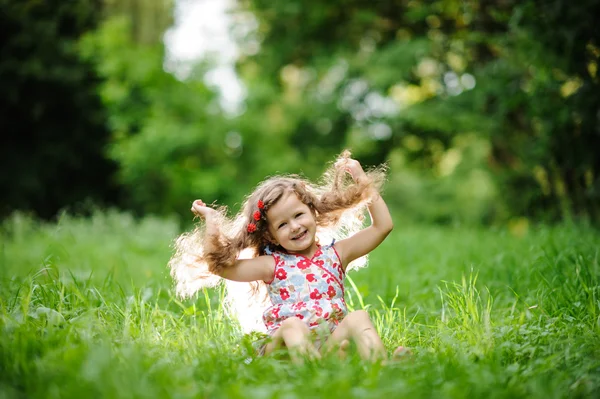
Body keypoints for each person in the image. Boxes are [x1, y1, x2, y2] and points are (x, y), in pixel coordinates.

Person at [169, 151, 407, 363]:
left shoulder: (336, 254)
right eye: (282, 224)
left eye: (299, 215)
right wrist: (212, 220)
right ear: (271, 237)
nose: (294, 226)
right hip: (285, 350)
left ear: (313, 213)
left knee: (358, 317)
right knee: (293, 325)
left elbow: (382, 226)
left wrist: (360, 178)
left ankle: (381, 366)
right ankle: (313, 372)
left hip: (328, 344)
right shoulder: (272, 265)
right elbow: (219, 267)